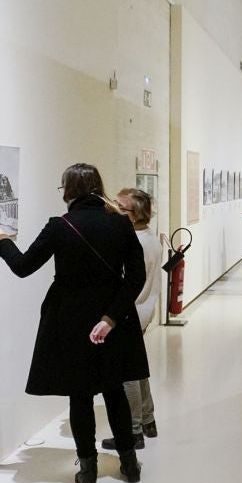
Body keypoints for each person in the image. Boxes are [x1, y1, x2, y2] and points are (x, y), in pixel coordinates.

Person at [0, 163, 145, 483]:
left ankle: (87, 471)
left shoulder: (60, 226)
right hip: (111, 320)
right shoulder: (120, 223)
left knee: (81, 395)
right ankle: (130, 465)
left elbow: (22, 267)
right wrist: (110, 318)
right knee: (114, 390)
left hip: (71, 319)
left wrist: (2, 239)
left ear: (69, 191)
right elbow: (135, 277)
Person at [101, 187, 160, 451]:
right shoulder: (148, 237)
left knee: (127, 375)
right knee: (138, 368)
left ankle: (133, 430)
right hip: (141, 309)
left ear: (135, 216)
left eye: (119, 207)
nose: (112, 209)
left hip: (132, 311)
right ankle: (147, 420)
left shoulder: (139, 243)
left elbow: (130, 282)